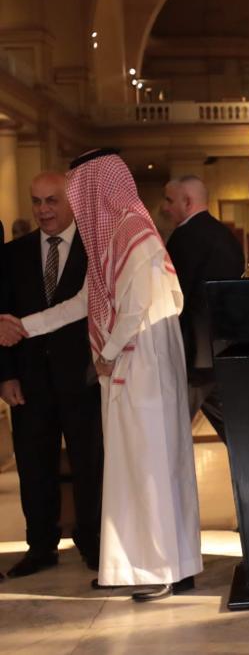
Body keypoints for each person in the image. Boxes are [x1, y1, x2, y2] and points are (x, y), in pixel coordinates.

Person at [0, 150, 204, 602]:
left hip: (142, 364)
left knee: (150, 466)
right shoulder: (112, 236)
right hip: (130, 363)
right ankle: (157, 565)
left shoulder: (134, 234)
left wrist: (106, 354)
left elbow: (138, 307)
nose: (74, 197)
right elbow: (81, 304)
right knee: (135, 467)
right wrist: (22, 326)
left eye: (78, 187)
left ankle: (163, 568)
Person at [0, 172, 102, 578]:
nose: (43, 210)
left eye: (52, 201)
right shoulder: (12, 254)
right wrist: (5, 375)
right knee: (33, 465)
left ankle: (94, 544)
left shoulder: (96, 248)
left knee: (89, 464)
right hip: (28, 381)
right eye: (37, 201)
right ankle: (40, 547)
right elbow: (3, 318)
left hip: (83, 378)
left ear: (72, 201)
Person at [162, 175, 245, 441]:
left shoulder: (183, 238)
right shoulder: (227, 236)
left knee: (170, 434)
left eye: (169, 200)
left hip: (192, 356)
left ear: (187, 202)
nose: (165, 207)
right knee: (237, 433)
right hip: (224, 351)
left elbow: (173, 299)